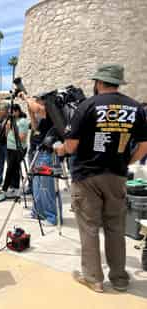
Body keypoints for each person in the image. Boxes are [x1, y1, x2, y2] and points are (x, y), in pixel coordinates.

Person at [55, 64, 147, 293]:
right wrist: (126, 161)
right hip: (117, 175)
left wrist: (60, 150)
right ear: (118, 82)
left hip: (87, 175)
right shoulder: (136, 108)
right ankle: (120, 278)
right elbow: (144, 146)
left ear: (98, 82)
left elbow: (72, 144)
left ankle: (93, 278)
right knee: (115, 227)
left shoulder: (87, 106)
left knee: (89, 227)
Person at [21, 93, 57, 224]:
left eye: (37, 100)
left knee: (46, 185)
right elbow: (35, 127)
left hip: (47, 152)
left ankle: (51, 216)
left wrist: (26, 97)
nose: (35, 101)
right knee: (36, 184)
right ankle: (37, 212)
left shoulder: (52, 110)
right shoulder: (42, 116)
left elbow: (38, 109)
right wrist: (30, 112)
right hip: (37, 150)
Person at [0, 104, 29, 202]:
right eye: (10, 112)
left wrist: (12, 128)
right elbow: (6, 135)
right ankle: (16, 189)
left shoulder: (23, 121)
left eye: (13, 112)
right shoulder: (11, 121)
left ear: (18, 111)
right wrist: (7, 128)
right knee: (14, 169)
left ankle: (4, 191)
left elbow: (22, 138)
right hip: (10, 148)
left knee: (9, 170)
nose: (12, 114)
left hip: (18, 149)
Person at [0, 104, 9, 188]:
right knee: (0, 164)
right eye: (0, 110)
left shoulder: (9, 120)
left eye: (2, 110)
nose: (1, 111)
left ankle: (7, 182)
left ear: (7, 111)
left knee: (8, 164)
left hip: (7, 145)